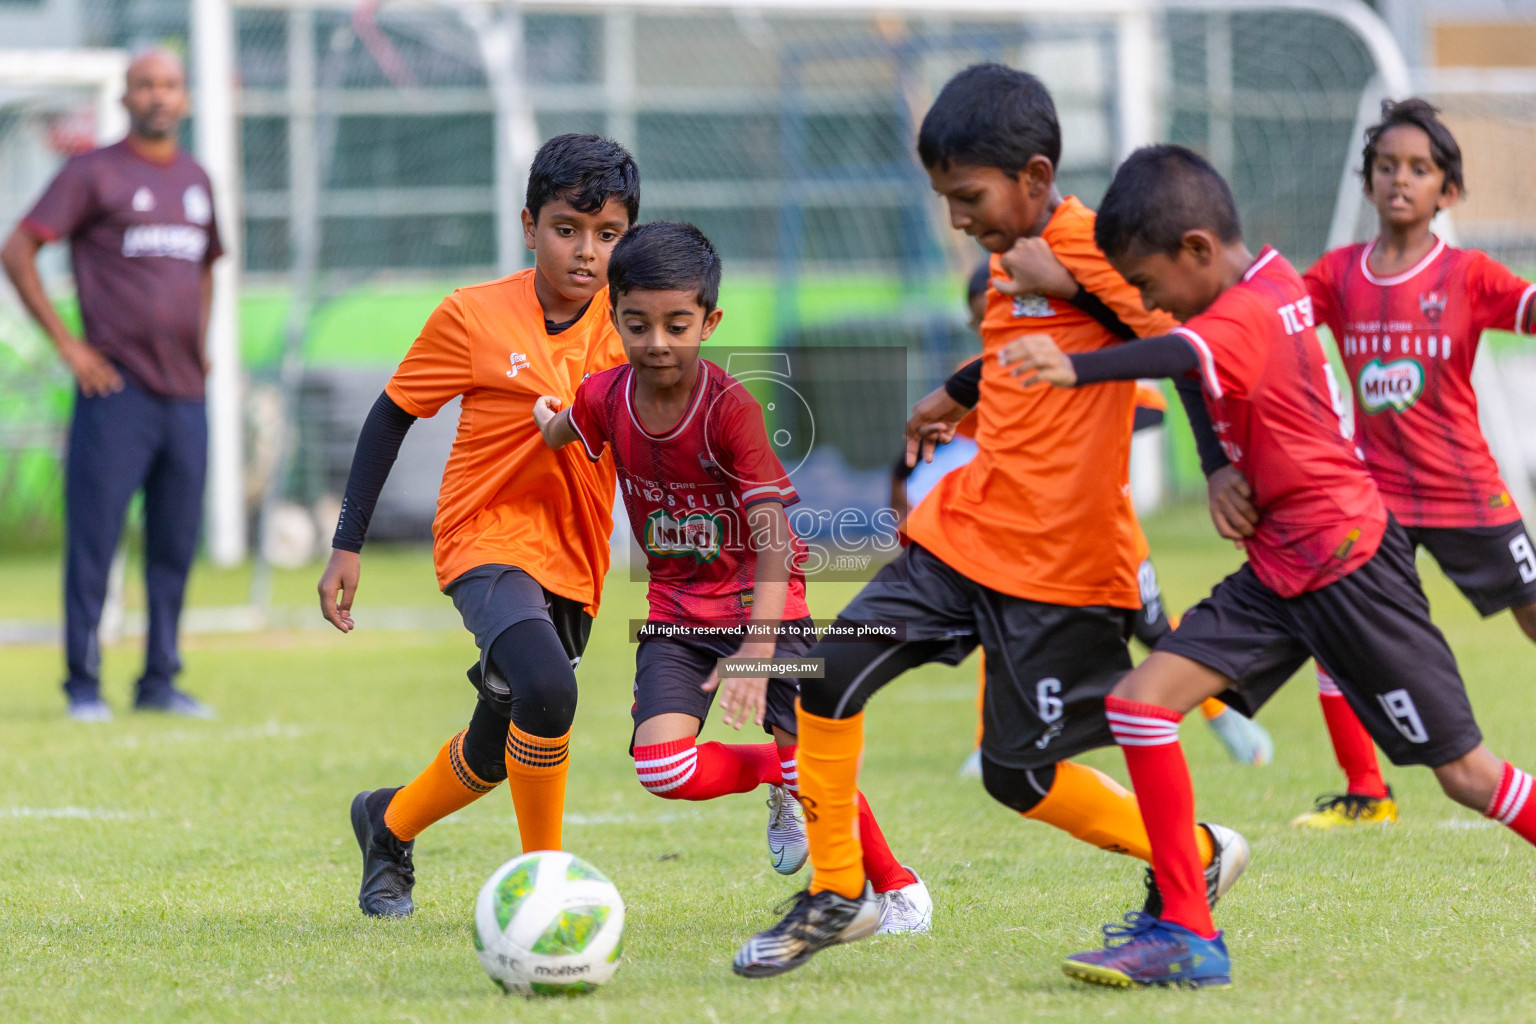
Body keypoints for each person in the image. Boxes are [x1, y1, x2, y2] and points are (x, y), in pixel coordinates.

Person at [731, 64, 1249, 980]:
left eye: (968, 197)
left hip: (1060, 568)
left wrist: (1212, 467)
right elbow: (1023, 356)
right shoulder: (1014, 258)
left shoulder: (1100, 244)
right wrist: (955, 392)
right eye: (947, 199)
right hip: (960, 537)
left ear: (1037, 178)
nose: (959, 218)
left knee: (1021, 780)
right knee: (828, 670)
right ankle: (840, 891)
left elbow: (1188, 344)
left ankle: (1199, 857)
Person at [1000, 143, 1536, 990]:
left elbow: (1179, 355)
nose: (1146, 302)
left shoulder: (1241, 316)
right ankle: (1187, 929)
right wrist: (1218, 463)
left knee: (1468, 776)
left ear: (1198, 252)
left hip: (1350, 567)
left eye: (1148, 284)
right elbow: (1186, 348)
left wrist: (1076, 367)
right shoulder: (1280, 279)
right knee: (1140, 707)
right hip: (1281, 569)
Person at [534, 221, 931, 937]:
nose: (657, 341)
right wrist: (545, 420)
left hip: (767, 609)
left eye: (677, 324)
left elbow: (777, 538)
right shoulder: (605, 395)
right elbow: (568, 426)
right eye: (637, 323)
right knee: (662, 769)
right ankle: (779, 781)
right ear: (614, 316)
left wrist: (757, 647)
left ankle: (898, 885)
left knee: (812, 764)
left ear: (709, 321)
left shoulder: (732, 411)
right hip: (676, 614)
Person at [316, 134, 637, 917]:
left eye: (607, 235)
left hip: (574, 556)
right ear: (530, 226)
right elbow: (390, 416)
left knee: (496, 748)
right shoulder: (472, 315)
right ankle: (546, 891)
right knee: (548, 689)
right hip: (483, 539)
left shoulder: (636, 325)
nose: (586, 252)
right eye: (567, 229)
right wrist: (346, 542)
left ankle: (386, 824)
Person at [914, 263, 1272, 778]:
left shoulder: (1076, 362)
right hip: (1028, 540)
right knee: (1002, 626)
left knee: (1152, 630)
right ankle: (988, 744)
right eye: (980, 322)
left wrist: (1083, 423)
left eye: (993, 314)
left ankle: (1223, 714)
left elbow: (1150, 408)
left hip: (1107, 532)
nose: (989, 329)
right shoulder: (983, 378)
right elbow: (968, 438)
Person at [1288, 98, 1536, 829]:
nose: (1401, 180)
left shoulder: (1467, 274)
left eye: (1419, 169)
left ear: (1446, 192)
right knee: (1338, 627)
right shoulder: (1337, 275)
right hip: (1377, 503)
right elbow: (1269, 328)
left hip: (1469, 496)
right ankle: (1367, 793)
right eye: (1387, 167)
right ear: (1367, 184)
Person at [1, 50, 221, 722]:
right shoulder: (92, 172)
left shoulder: (196, 179)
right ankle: (83, 686)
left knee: (175, 544)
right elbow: (18, 248)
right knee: (95, 541)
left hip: (184, 395)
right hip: (114, 393)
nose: (158, 95)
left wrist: (203, 345)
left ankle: (159, 679)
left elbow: (206, 265)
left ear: (184, 99)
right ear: (125, 97)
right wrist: (69, 348)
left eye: (170, 85)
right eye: (146, 85)